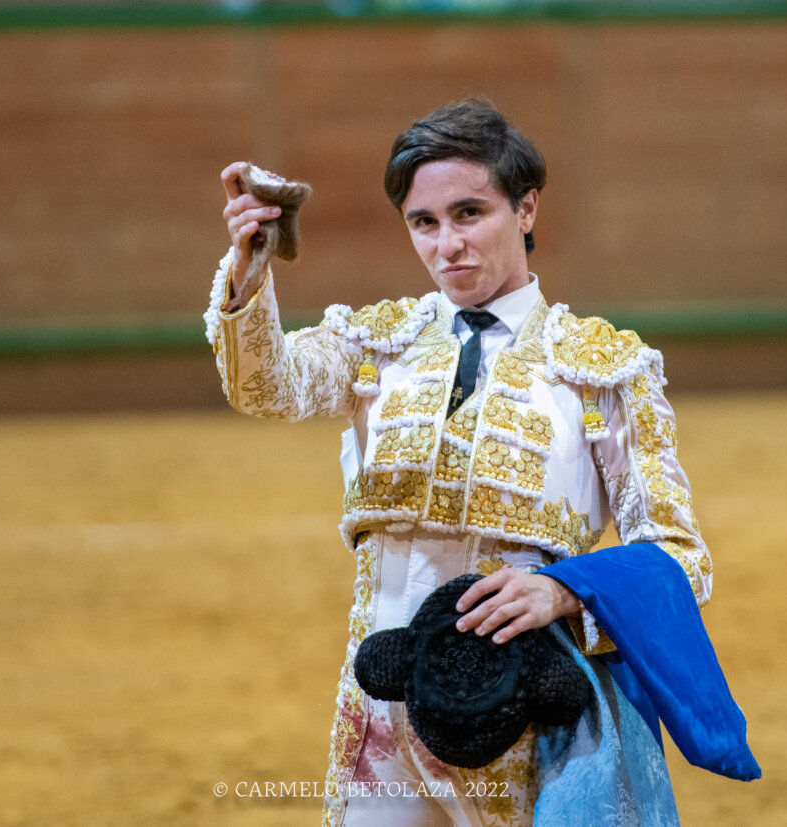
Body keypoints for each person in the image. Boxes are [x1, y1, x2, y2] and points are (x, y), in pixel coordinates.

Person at [207, 99, 758, 827]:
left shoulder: (602, 367)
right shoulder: (378, 342)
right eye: (424, 222)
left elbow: (681, 557)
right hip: (381, 702)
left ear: (525, 208)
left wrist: (565, 591)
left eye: (469, 213)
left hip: (521, 707)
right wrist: (250, 271)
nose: (448, 245)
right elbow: (266, 388)